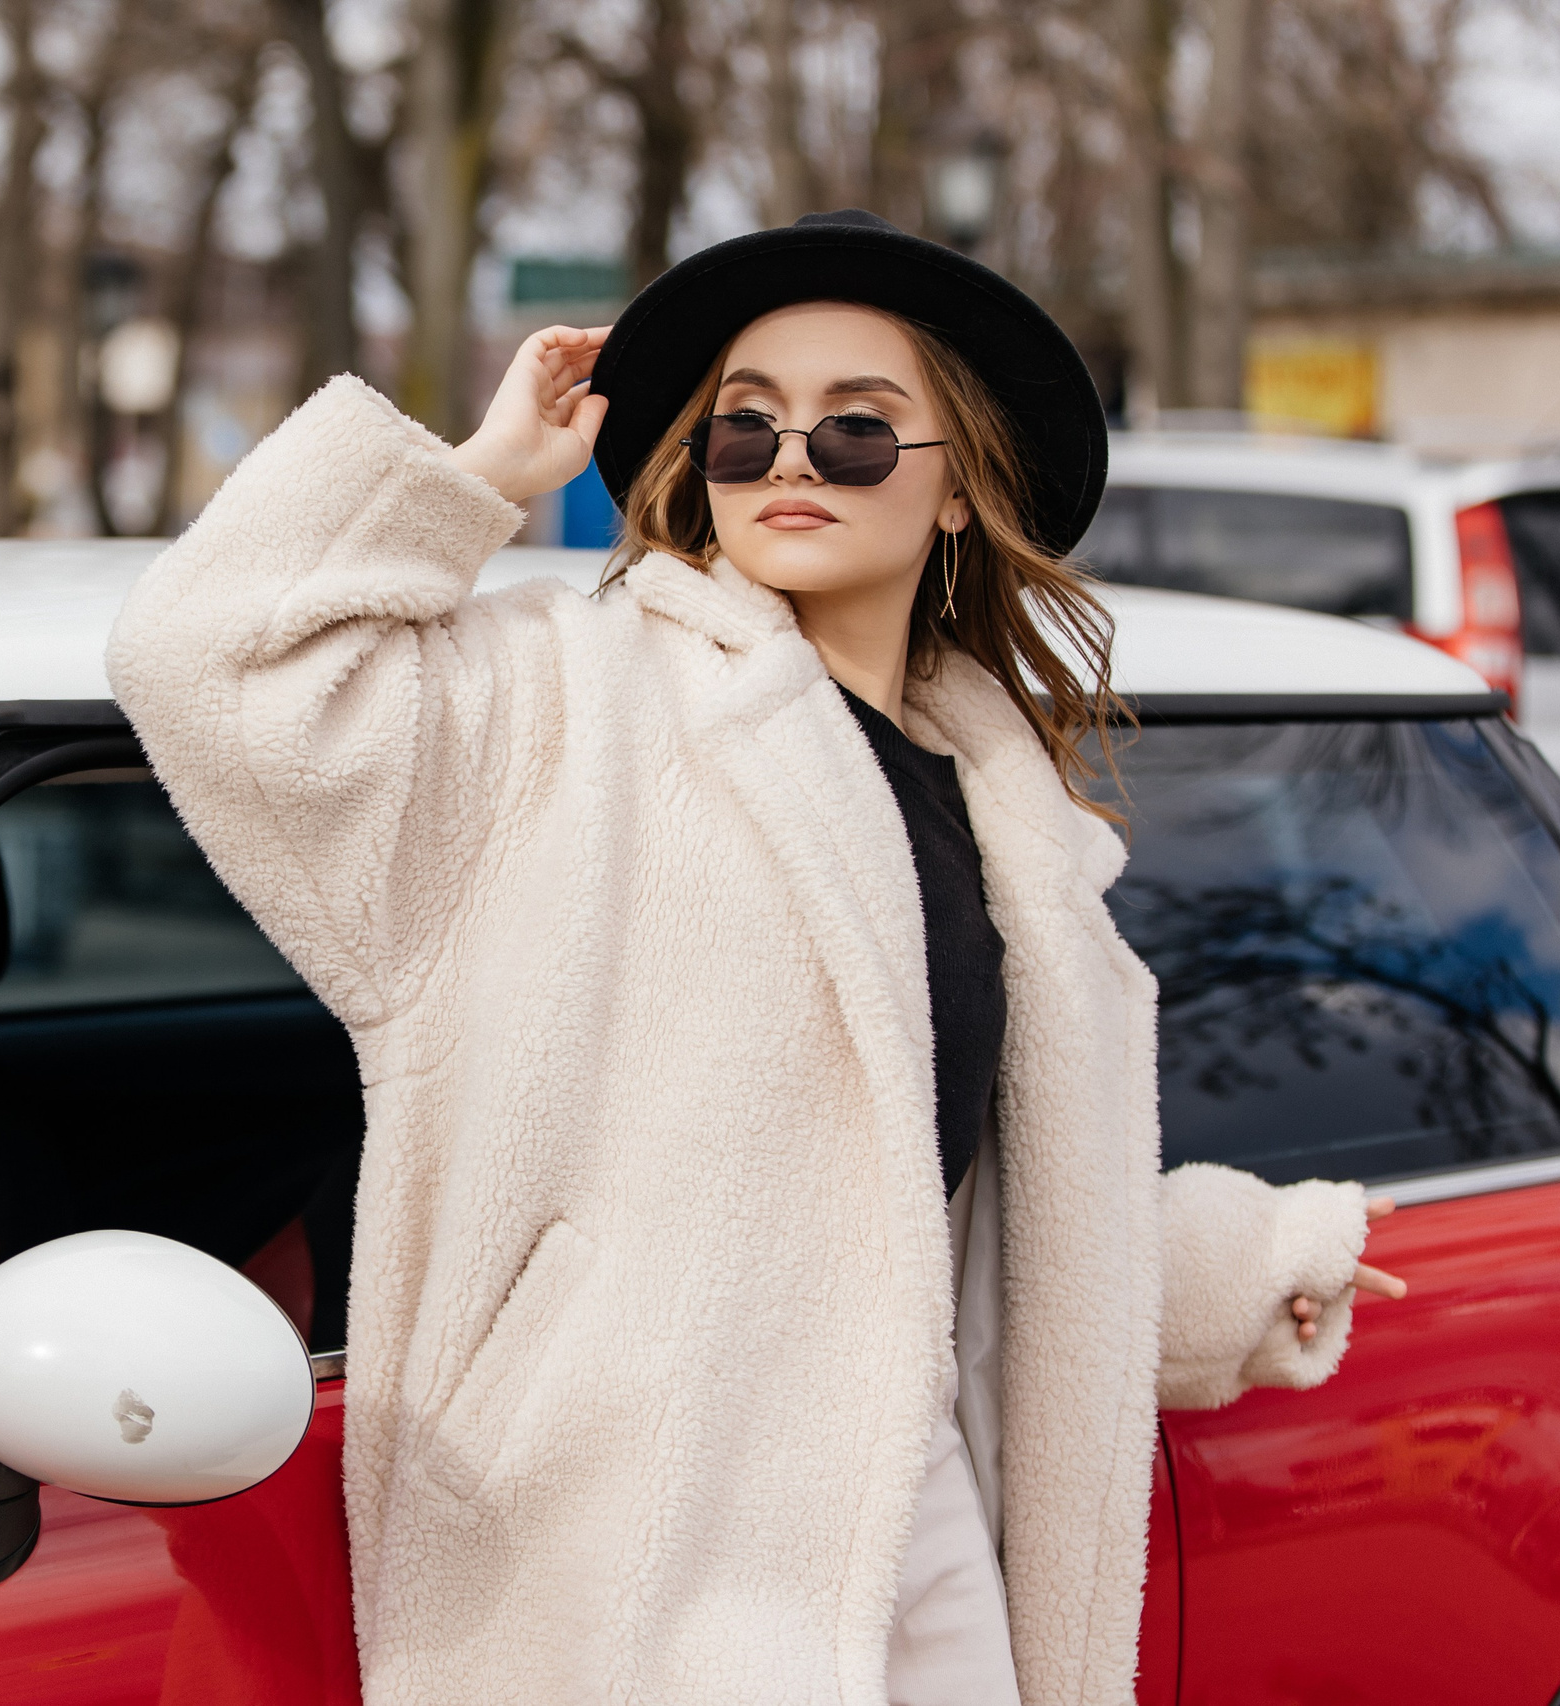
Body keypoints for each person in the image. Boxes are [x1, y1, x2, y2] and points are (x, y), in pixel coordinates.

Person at [105, 209, 1404, 1706]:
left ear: (964, 488)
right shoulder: (560, 703)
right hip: (615, 1557)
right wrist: (476, 477)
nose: (793, 459)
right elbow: (204, 658)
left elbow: (932, 1208)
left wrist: (1230, 1270)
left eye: (859, 430)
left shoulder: (1009, 817)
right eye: (746, 427)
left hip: (905, 1505)